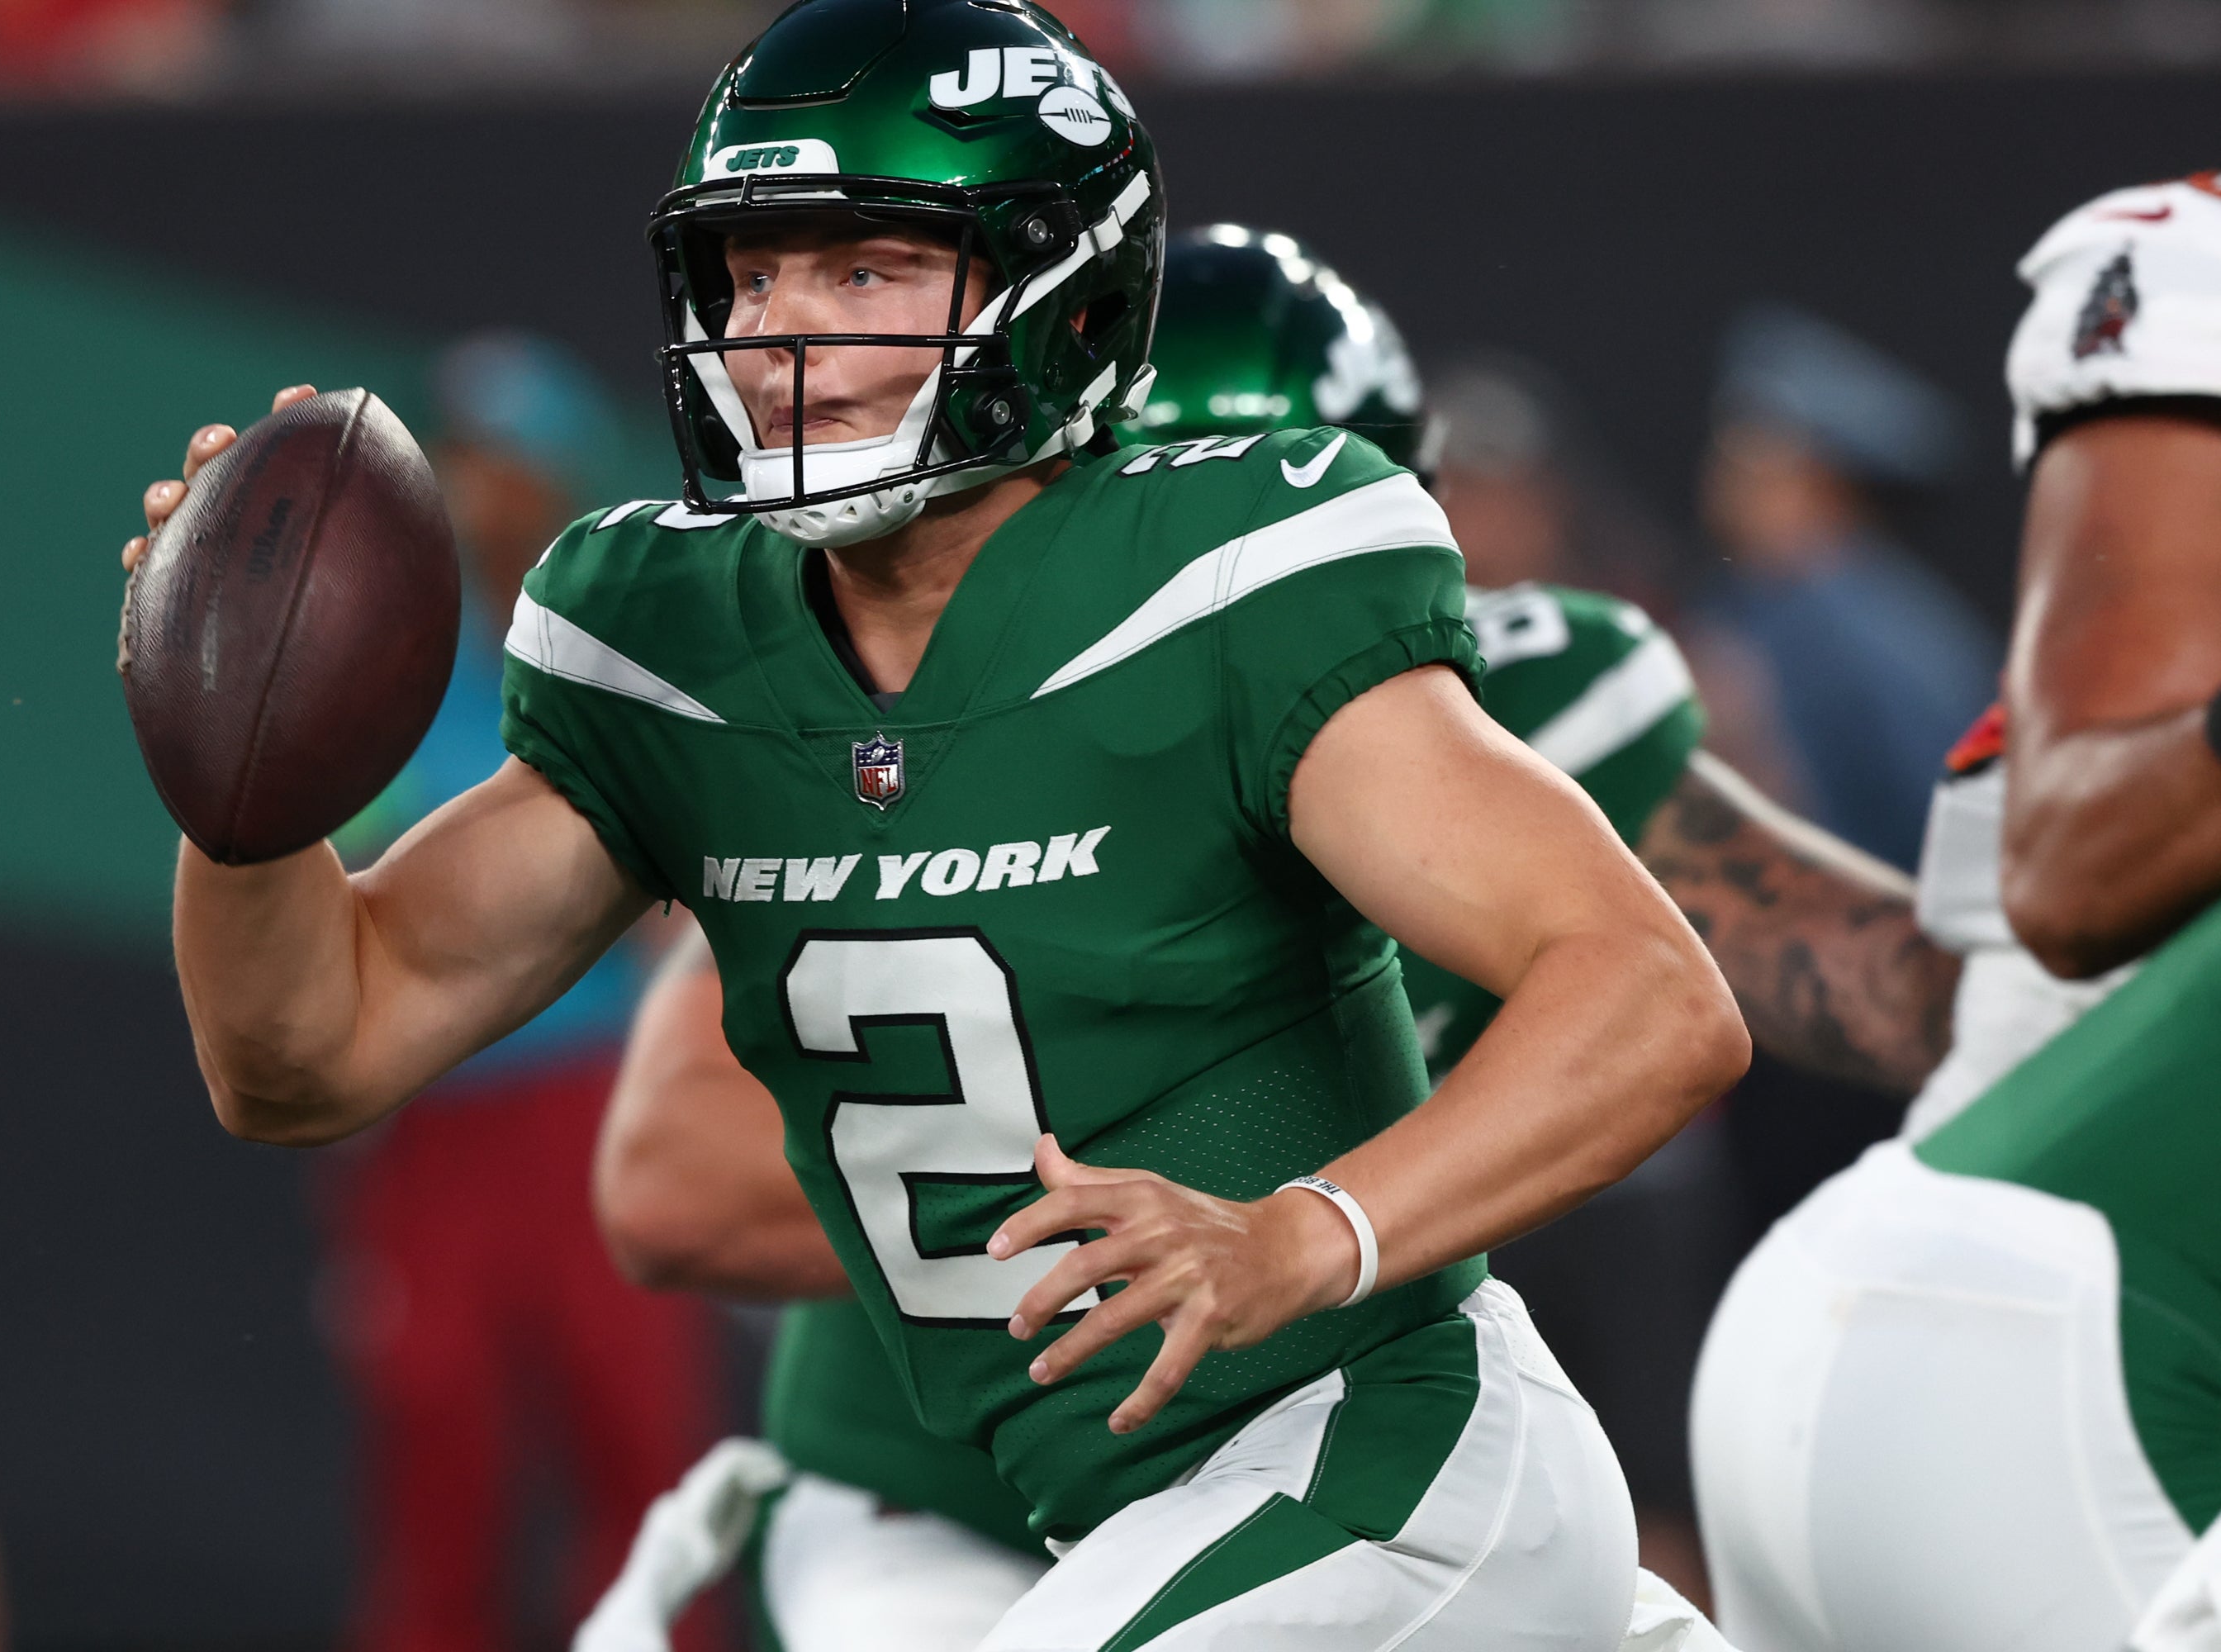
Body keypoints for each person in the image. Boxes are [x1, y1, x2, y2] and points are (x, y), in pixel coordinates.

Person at [122, 4, 1758, 1645]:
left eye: (862, 270)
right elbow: (305, 1055)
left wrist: (1305, 1236)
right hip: (1123, 1522)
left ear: (1062, 289)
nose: (778, 334)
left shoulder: (1220, 583)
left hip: (1381, 1465)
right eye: (748, 276)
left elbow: (1649, 994)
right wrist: (245, 788)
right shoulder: (674, 646)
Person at [572, 225, 1962, 1651]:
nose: (1263, 607)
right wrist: (1102, 1175)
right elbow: (673, 1186)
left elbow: (1891, 986)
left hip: (1336, 1463)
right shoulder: (895, 735)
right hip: (952, 1512)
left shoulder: (1490, 718)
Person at [1689, 169, 2221, 1652]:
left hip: (1986, 1308)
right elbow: (2075, 869)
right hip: (2072, 1346)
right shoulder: (2197, 273)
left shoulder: (1865, 622)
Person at [311, 333, 719, 1652]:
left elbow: (683, 901)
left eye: (503, 464)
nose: (475, 489)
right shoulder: (371, 664)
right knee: (437, 1462)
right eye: (458, 460)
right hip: (435, 1123)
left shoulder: (634, 659)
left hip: (599, 1116)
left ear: (553, 486)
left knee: (643, 1454)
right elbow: (319, 875)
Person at [1692, 303, 2000, 872]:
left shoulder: (1872, 632)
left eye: (1751, 452)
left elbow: (1947, 831)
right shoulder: (1762, 602)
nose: (1725, 471)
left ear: (1819, 479)